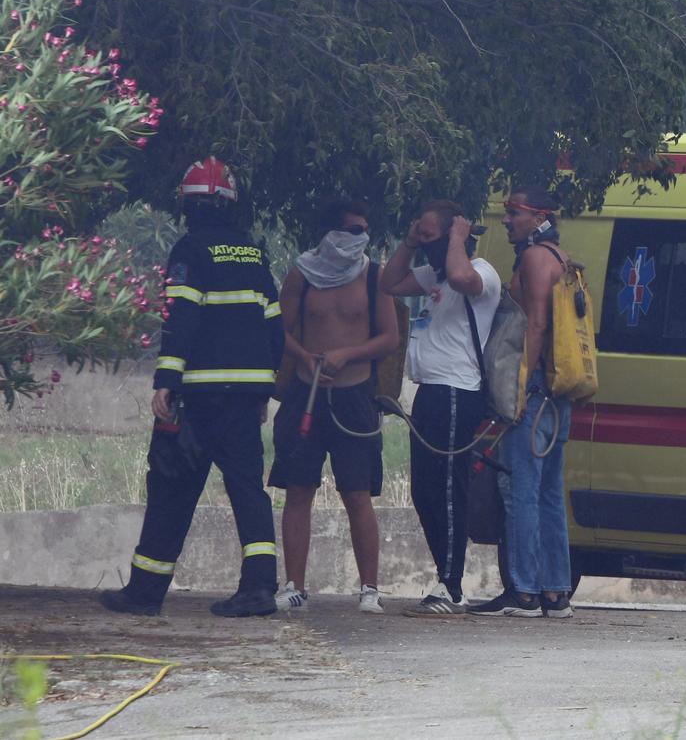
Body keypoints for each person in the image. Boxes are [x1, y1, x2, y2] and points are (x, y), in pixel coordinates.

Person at [100, 158, 286, 618]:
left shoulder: (189, 251)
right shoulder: (252, 254)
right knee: (247, 489)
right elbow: (275, 327)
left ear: (188, 205)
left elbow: (179, 320)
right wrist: (262, 389)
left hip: (198, 398)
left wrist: (166, 382)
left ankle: (145, 592)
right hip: (244, 400)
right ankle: (260, 589)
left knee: (172, 486)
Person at [270, 199, 400, 615]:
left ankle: (369, 589)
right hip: (306, 396)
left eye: (364, 231)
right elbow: (278, 329)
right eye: (350, 230)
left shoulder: (374, 276)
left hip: (355, 396)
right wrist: (305, 357)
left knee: (357, 494)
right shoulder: (301, 275)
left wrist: (350, 354)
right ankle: (294, 585)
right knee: (298, 489)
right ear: (329, 233)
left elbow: (390, 337)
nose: (357, 239)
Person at [380, 199, 502, 616]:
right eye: (423, 233)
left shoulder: (480, 272)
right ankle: (444, 575)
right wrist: (411, 242)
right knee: (424, 491)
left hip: (457, 392)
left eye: (433, 234)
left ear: (457, 234)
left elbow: (461, 274)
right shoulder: (434, 274)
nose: (426, 241)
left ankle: (451, 586)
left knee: (450, 491)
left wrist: (454, 240)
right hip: (429, 391)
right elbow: (389, 282)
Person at [469, 189, 575, 620]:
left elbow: (536, 323)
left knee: (522, 492)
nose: (507, 220)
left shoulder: (533, 259)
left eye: (514, 213)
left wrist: (517, 386)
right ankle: (555, 591)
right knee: (549, 493)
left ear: (538, 217)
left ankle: (525, 591)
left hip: (533, 390)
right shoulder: (560, 256)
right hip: (556, 393)